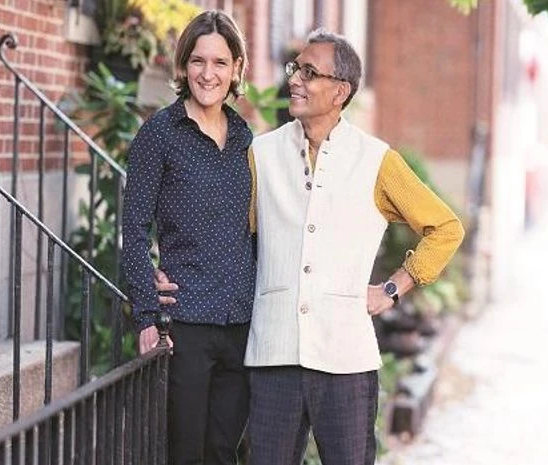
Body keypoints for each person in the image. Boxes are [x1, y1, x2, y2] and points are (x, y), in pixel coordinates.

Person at [246, 29, 464, 465]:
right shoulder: (262, 153)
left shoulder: (376, 160)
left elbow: (445, 227)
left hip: (346, 358)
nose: (295, 80)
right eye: (295, 69)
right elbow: (239, 237)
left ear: (340, 91)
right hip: (273, 352)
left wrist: (393, 288)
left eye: (310, 73)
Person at [121, 10, 254, 465]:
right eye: (198, 61)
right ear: (184, 66)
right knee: (185, 453)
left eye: (220, 62)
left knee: (223, 451)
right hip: (186, 324)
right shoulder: (159, 134)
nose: (208, 73)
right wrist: (144, 313)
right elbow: (134, 229)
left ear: (237, 68)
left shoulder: (244, 137)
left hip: (240, 321)